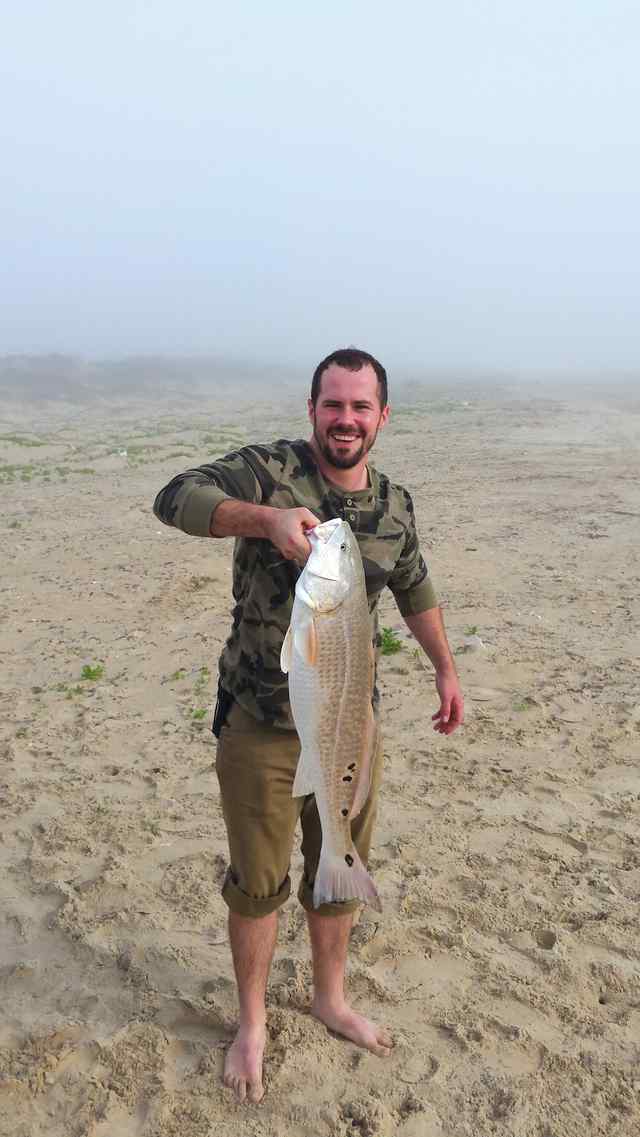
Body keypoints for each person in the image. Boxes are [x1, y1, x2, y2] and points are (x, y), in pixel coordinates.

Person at [153, 347, 464, 1104]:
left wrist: (445, 668)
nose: (346, 419)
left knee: (341, 860)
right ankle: (253, 1020)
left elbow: (415, 584)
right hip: (260, 722)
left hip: (351, 720)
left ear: (383, 416)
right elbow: (174, 497)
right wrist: (260, 520)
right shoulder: (270, 470)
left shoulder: (393, 505)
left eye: (361, 406)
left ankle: (330, 995)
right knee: (258, 882)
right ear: (312, 408)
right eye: (334, 404)